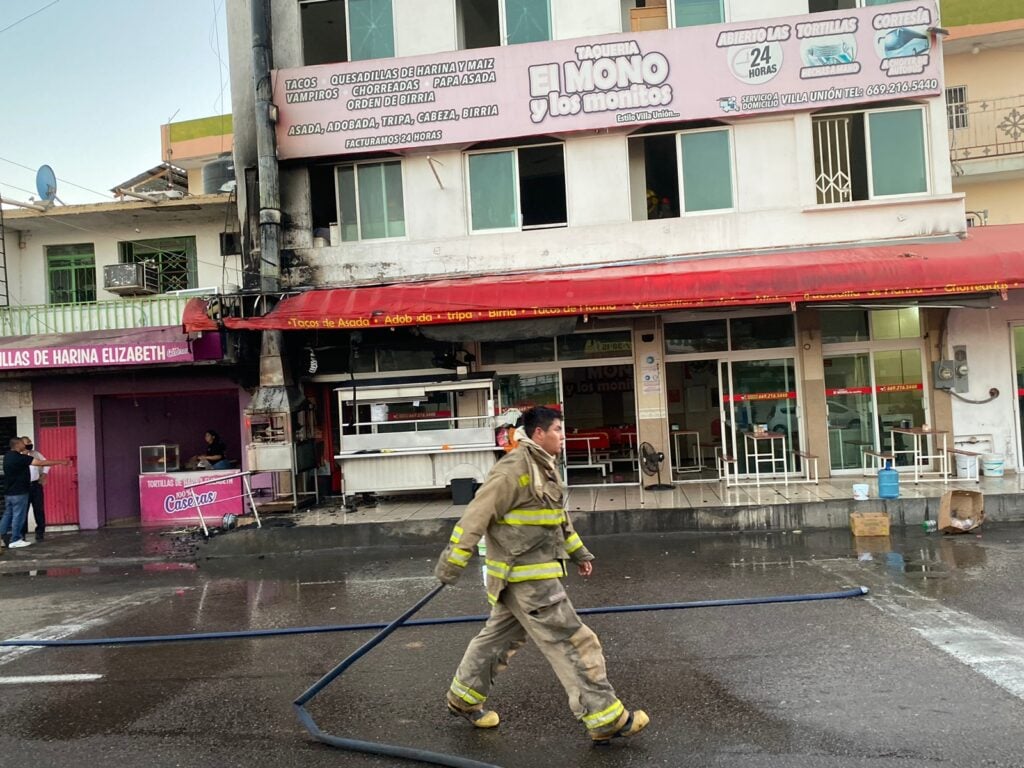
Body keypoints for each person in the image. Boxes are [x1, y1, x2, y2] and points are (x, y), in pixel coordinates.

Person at [434, 406, 649, 743]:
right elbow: (476, 515)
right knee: (574, 642)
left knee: (498, 640)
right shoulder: (515, 469)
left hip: (524, 577)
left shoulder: (542, 468)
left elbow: (557, 518)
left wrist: (579, 552)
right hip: (527, 580)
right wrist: (452, 563)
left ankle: (463, 699)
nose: (564, 436)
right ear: (539, 433)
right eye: (559, 430)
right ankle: (605, 717)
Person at [1, 437, 70, 549]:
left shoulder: (8, 456)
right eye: (23, 443)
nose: (25, 445)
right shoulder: (21, 458)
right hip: (20, 492)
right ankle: (15, 539)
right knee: (19, 516)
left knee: (8, 515)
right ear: (18, 444)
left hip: (9, 492)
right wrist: (61, 461)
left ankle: (1, 537)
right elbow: (41, 462)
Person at [20, 436, 48, 542]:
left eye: (30, 442)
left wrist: (44, 475)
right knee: (23, 511)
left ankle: (40, 532)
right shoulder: (17, 456)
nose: (30, 444)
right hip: (23, 487)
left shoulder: (35, 454)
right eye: (28, 442)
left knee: (39, 510)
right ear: (21, 444)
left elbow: (46, 463)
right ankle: (21, 534)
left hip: (36, 485)